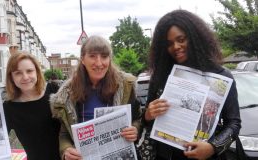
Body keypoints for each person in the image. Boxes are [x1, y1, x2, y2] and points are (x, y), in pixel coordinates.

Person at [141, 10, 241, 160]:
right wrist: (148, 115)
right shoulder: (161, 76)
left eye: (181, 39)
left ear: (195, 37)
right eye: (169, 44)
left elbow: (234, 123)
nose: (176, 46)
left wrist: (213, 147)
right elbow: (146, 120)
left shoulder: (221, 76)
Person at [50, 35, 141, 160]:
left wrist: (135, 129)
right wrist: (66, 150)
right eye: (92, 56)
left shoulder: (126, 86)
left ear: (109, 59)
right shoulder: (67, 94)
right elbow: (65, 133)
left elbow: (138, 118)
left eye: (104, 56)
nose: (99, 63)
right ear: (82, 59)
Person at [4, 52, 61, 160]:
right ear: (11, 77)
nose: (25, 77)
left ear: (37, 72)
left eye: (29, 71)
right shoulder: (8, 107)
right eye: (18, 73)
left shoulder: (54, 90)